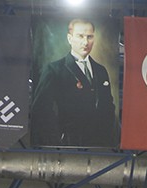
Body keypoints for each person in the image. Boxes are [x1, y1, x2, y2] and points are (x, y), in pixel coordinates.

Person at [31, 18, 117, 149]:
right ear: (69, 38)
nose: (85, 42)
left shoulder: (101, 70)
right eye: (80, 36)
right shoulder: (54, 70)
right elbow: (41, 109)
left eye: (89, 37)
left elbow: (108, 107)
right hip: (68, 144)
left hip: (100, 145)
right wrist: (56, 142)